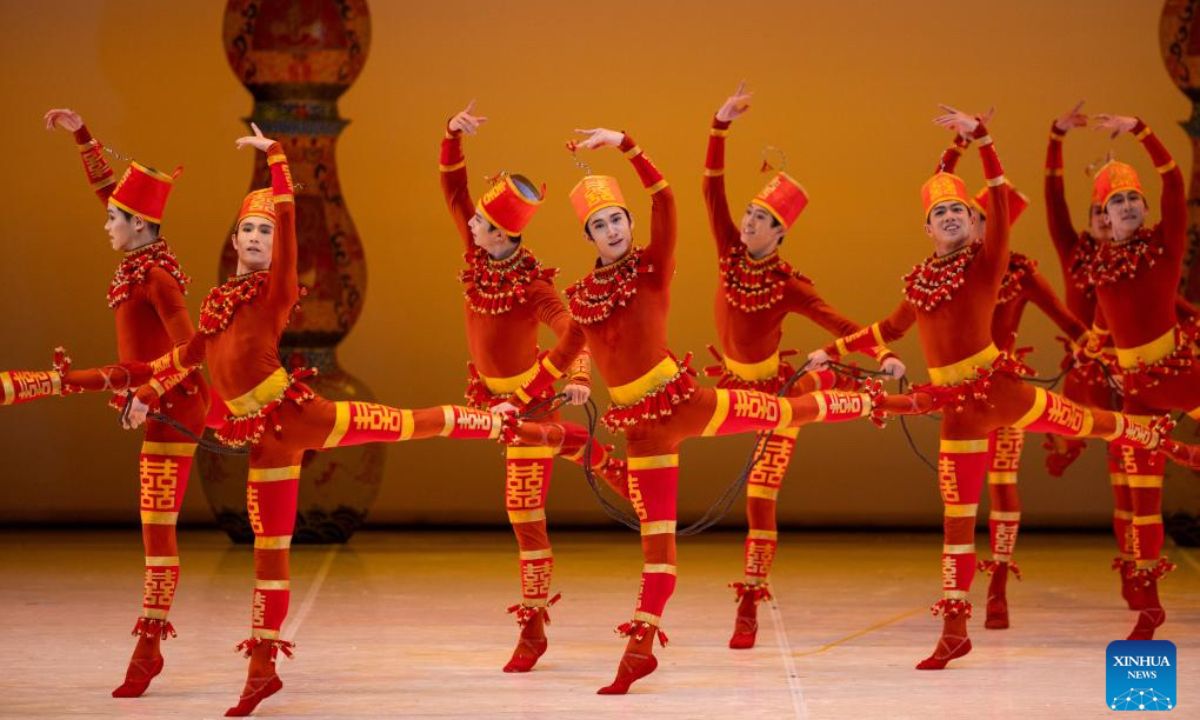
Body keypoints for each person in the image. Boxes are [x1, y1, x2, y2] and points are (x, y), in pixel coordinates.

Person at [123, 124, 578, 716]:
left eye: (265, 230)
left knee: (412, 428)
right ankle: (262, 668)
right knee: (270, 550)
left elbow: (571, 330)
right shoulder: (216, 303)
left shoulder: (277, 289)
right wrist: (148, 391)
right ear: (233, 240)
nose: (256, 237)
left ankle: (505, 433)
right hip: (264, 438)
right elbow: (187, 355)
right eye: (248, 230)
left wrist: (277, 158)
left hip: (302, 416)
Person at [496, 126, 935, 694]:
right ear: (589, 235)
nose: (612, 229)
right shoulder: (582, 297)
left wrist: (628, 145)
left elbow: (667, 199)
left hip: (685, 403)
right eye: (600, 224)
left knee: (785, 412)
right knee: (658, 544)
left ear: (631, 224)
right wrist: (515, 402)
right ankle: (640, 648)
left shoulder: (654, 267)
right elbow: (559, 359)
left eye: (618, 219)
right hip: (642, 433)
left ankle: (880, 401)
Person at [807, 107, 1186, 670]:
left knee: (1090, 423)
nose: (951, 216)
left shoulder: (988, 264)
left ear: (977, 222)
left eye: (960, 209)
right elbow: (886, 331)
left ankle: (1156, 436)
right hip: (955, 409)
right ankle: (955, 630)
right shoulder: (921, 282)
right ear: (927, 228)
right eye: (941, 212)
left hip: (1001, 392)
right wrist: (833, 350)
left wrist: (982, 139)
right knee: (956, 520)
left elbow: (1001, 200)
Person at [700, 84, 904, 649]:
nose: (748, 222)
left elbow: (840, 322)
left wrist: (883, 353)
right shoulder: (728, 251)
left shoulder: (790, 285)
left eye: (761, 218)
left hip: (774, 396)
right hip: (729, 388)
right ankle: (832, 378)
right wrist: (719, 126)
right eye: (749, 212)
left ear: (781, 233)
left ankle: (749, 597)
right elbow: (710, 189)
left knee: (760, 497)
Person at [438, 100, 626, 672]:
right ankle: (581, 446)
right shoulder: (477, 254)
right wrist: (452, 135)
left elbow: (575, 328)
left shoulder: (534, 286)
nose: (470, 223)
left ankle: (534, 625)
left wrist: (577, 376)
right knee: (527, 496)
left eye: (480, 221)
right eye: (475, 220)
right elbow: (454, 193)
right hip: (493, 401)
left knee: (523, 515)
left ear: (500, 233)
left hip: (530, 403)